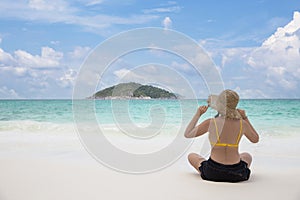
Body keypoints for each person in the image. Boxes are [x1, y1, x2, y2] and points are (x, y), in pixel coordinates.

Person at [184, 89, 259, 182]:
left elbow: (188, 134)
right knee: (247, 156)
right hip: (237, 173)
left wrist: (198, 114)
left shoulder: (211, 122)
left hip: (213, 172)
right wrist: (245, 117)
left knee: (192, 156)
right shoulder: (242, 124)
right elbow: (255, 139)